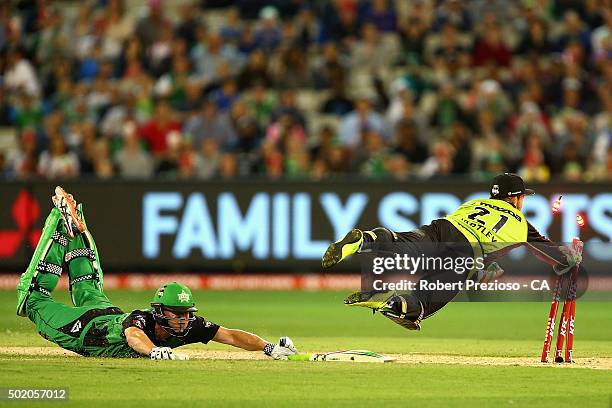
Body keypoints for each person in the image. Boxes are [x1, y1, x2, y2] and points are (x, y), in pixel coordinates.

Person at [16, 187, 298, 360]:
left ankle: (75, 225)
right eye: (177, 313)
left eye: (187, 312)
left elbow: (231, 336)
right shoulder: (141, 319)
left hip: (105, 311)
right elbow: (132, 337)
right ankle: (58, 219)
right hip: (86, 331)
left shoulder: (188, 326)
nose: (184, 319)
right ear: (160, 312)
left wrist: (269, 347)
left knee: (88, 287)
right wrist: (153, 350)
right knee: (33, 301)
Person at [322, 173, 583, 330]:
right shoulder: (521, 224)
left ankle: (366, 240)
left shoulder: (476, 202)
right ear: (515, 198)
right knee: (429, 297)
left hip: (442, 229)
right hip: (465, 251)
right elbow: (557, 257)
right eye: (522, 197)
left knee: (404, 243)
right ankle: (399, 305)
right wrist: (571, 256)